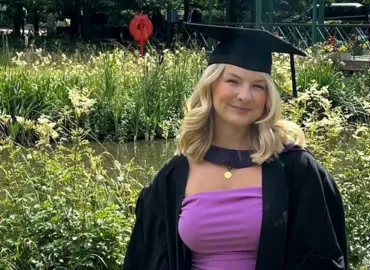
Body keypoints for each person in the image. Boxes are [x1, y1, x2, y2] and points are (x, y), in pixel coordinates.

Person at [123, 23, 349, 270]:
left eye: (257, 86)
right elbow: (147, 258)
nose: (244, 95)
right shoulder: (176, 174)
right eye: (233, 81)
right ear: (211, 86)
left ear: (268, 97)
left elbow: (323, 259)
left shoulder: (295, 169)